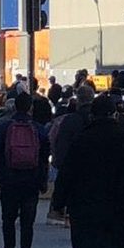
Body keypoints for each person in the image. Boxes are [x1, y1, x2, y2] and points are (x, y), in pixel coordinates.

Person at [54, 95, 124, 248]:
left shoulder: (81, 140)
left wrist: (59, 202)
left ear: (92, 115)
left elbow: (67, 173)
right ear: (115, 114)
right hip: (120, 207)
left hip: (86, 208)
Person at [0, 92, 50, 248]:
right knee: (27, 222)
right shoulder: (39, 129)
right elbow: (45, 157)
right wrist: (43, 181)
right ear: (30, 107)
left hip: (8, 179)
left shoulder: (2, 126)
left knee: (8, 219)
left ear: (14, 106)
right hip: (31, 180)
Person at [47, 85, 95, 224]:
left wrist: (59, 164)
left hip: (72, 169)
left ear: (78, 100)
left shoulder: (69, 121)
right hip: (96, 169)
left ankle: (69, 218)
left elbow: (61, 145)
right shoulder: (97, 119)